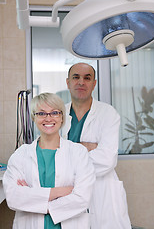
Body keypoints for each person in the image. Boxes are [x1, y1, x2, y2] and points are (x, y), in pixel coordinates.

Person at [3, 92, 95, 229]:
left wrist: (32, 198)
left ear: (62, 117)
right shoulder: (20, 155)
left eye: (54, 113)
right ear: (34, 117)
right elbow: (13, 198)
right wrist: (59, 192)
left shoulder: (78, 153)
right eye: (41, 113)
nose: (48, 118)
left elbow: (82, 198)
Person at [61, 62, 132, 229]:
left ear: (94, 83)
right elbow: (50, 153)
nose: (81, 82)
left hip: (102, 192)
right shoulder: (59, 114)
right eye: (76, 77)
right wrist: (87, 147)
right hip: (68, 193)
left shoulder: (108, 113)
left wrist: (68, 152)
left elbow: (107, 160)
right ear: (68, 82)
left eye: (87, 78)